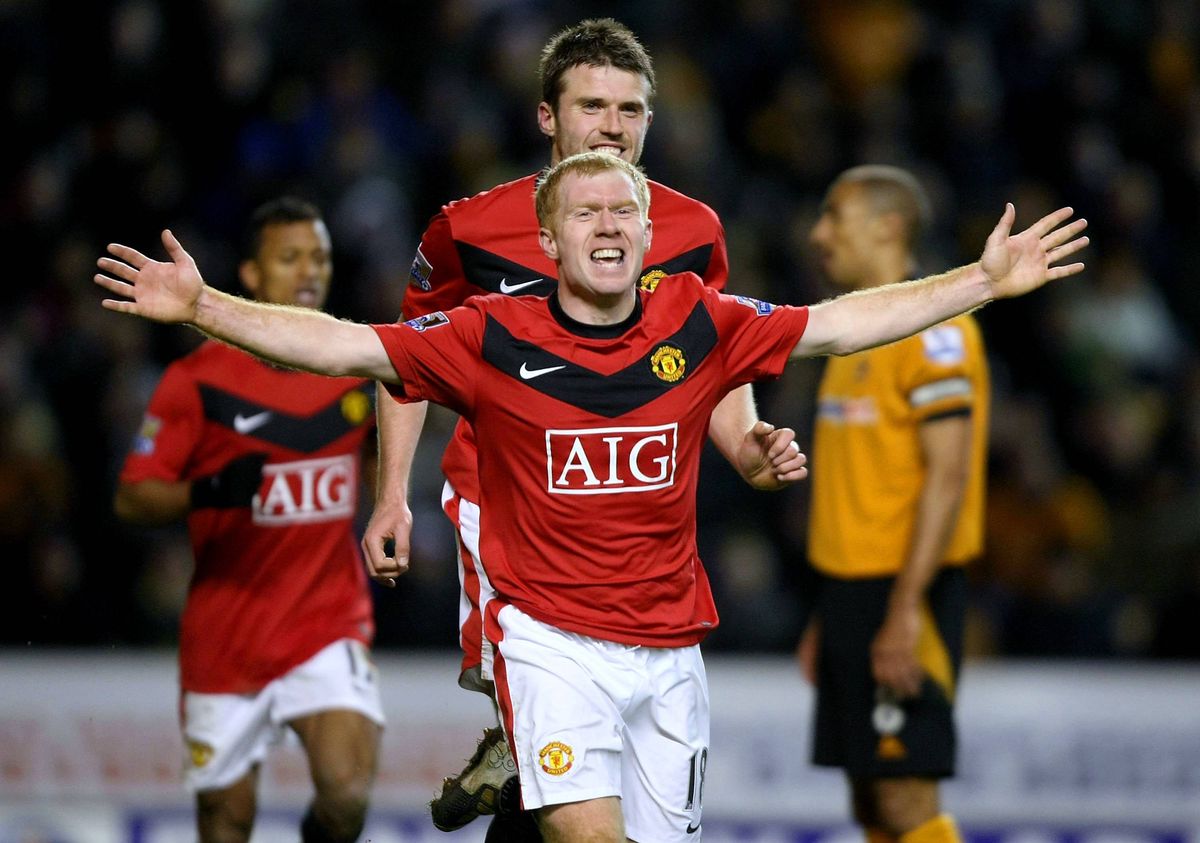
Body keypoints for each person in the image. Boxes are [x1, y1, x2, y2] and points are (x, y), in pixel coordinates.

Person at [95, 151, 1088, 842]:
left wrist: (982, 281)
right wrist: (204, 307)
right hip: (549, 641)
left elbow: (837, 323)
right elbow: (348, 345)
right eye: (585, 213)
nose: (607, 225)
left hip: (670, 649)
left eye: (623, 211)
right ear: (548, 238)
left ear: (649, 233)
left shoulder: (701, 320)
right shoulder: (489, 334)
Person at [360, 18, 803, 836]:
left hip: (631, 511)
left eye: (630, 110)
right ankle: (514, 744)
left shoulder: (693, 229)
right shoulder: (467, 228)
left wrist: (748, 446)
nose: (612, 126)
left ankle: (513, 759)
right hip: (501, 501)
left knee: (553, 784)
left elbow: (713, 355)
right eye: (592, 106)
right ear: (547, 116)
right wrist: (392, 494)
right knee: (546, 734)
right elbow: (403, 361)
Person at [112, 197, 384, 843]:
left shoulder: (353, 361)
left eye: (319, 256)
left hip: (327, 622)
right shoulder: (196, 380)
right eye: (290, 257)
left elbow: (385, 447)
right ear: (252, 275)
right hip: (227, 637)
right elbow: (131, 499)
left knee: (346, 794)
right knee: (226, 822)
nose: (310, 270)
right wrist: (207, 490)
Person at [796, 166, 990, 843]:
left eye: (834, 215)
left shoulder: (936, 332)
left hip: (905, 592)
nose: (818, 233)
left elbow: (948, 477)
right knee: (871, 799)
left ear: (888, 226)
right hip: (850, 593)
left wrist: (905, 609)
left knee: (906, 794)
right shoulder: (854, 335)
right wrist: (830, 613)